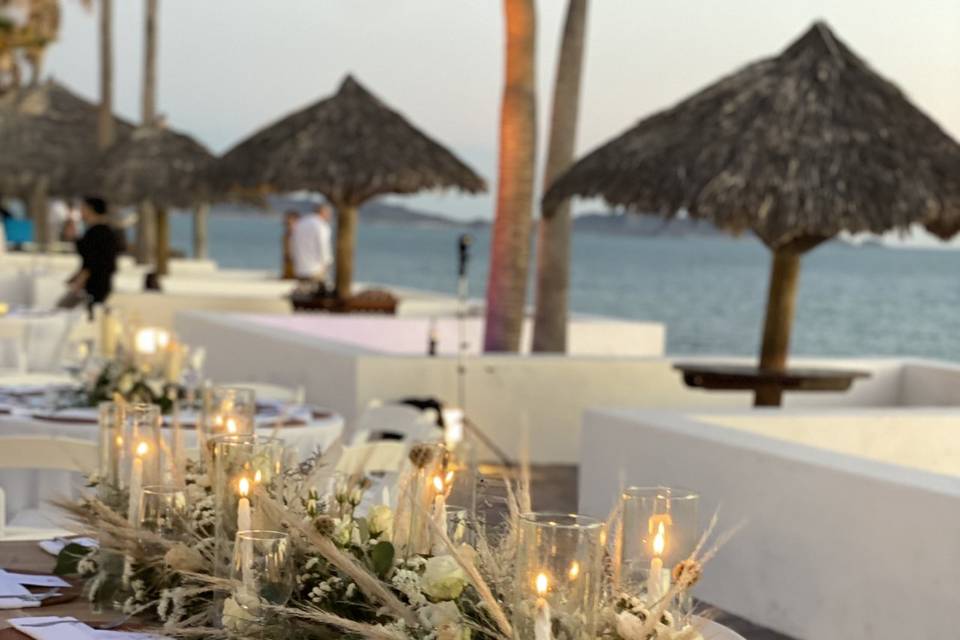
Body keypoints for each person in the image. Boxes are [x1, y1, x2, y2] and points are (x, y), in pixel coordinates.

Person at [65, 196, 119, 311]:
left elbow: (93, 260)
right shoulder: (99, 231)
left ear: (91, 209)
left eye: (83, 208)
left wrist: (81, 279)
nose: (81, 212)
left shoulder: (99, 233)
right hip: (95, 283)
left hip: (94, 285)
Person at [291, 203, 333, 290]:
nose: (330, 217)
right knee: (318, 293)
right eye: (329, 214)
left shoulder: (301, 223)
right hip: (316, 268)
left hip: (300, 267)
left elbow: (292, 243)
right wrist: (327, 263)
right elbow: (323, 246)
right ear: (323, 212)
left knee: (303, 293)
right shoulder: (321, 225)